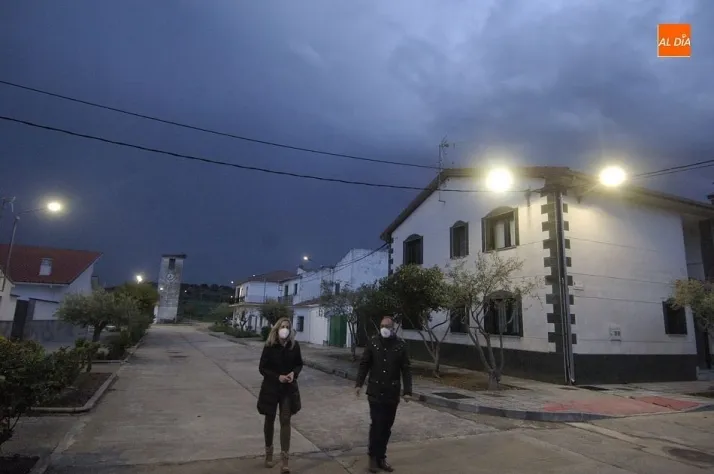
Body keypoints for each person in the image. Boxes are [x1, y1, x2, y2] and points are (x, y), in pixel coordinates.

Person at [355, 316, 413, 473]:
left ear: (393, 328)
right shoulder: (373, 343)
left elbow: (406, 369)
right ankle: (372, 458)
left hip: (392, 393)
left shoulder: (400, 345)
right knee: (377, 424)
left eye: (387, 326)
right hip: (375, 392)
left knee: (387, 426)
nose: (384, 329)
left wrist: (408, 391)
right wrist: (359, 384)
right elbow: (364, 364)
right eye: (382, 326)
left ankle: (381, 457)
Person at [257, 317, 303, 473]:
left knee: (285, 420)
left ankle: (285, 460)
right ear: (277, 329)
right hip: (271, 388)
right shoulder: (270, 346)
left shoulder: (294, 346)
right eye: (282, 326)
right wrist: (277, 377)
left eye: (287, 327)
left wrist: (293, 373)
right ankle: (269, 454)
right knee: (269, 420)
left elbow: (299, 364)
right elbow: (262, 368)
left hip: (287, 389)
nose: (285, 329)